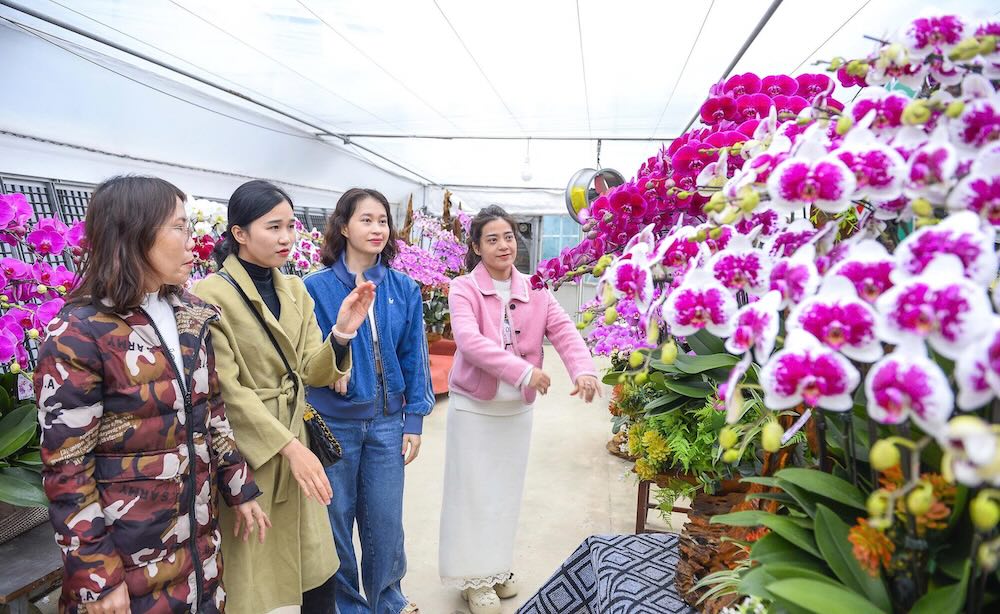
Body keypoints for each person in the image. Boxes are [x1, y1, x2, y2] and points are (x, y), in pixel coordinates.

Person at [35, 175, 268, 614]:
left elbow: (211, 412)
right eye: (179, 227)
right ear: (134, 233)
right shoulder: (78, 335)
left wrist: (239, 487)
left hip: (197, 544)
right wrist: (97, 578)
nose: (192, 242)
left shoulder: (189, 316)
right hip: (129, 559)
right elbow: (67, 470)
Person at [194, 180, 374, 614]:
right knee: (258, 580)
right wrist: (289, 448)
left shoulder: (294, 289)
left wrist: (344, 331)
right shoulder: (208, 296)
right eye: (273, 227)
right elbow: (229, 393)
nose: (287, 238)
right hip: (253, 457)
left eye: (291, 226)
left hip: (299, 448)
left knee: (316, 571)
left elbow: (312, 368)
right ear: (239, 233)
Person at [439, 205, 601, 614]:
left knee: (504, 494)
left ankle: (495, 568)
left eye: (508, 237)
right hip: (474, 408)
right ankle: (472, 578)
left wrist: (584, 371)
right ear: (476, 246)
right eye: (492, 239)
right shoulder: (464, 288)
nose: (503, 245)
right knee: (472, 493)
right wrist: (525, 373)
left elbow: (564, 332)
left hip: (516, 413)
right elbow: (469, 341)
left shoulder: (537, 288)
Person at [304, 188, 433, 614]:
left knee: (384, 523)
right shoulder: (314, 288)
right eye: (366, 220)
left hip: (386, 424)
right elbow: (308, 356)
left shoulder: (403, 288)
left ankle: (388, 601)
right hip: (333, 424)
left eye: (383, 220)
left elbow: (414, 356)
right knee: (335, 522)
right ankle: (348, 606)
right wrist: (338, 365)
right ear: (343, 226)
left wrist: (413, 419)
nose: (377, 228)